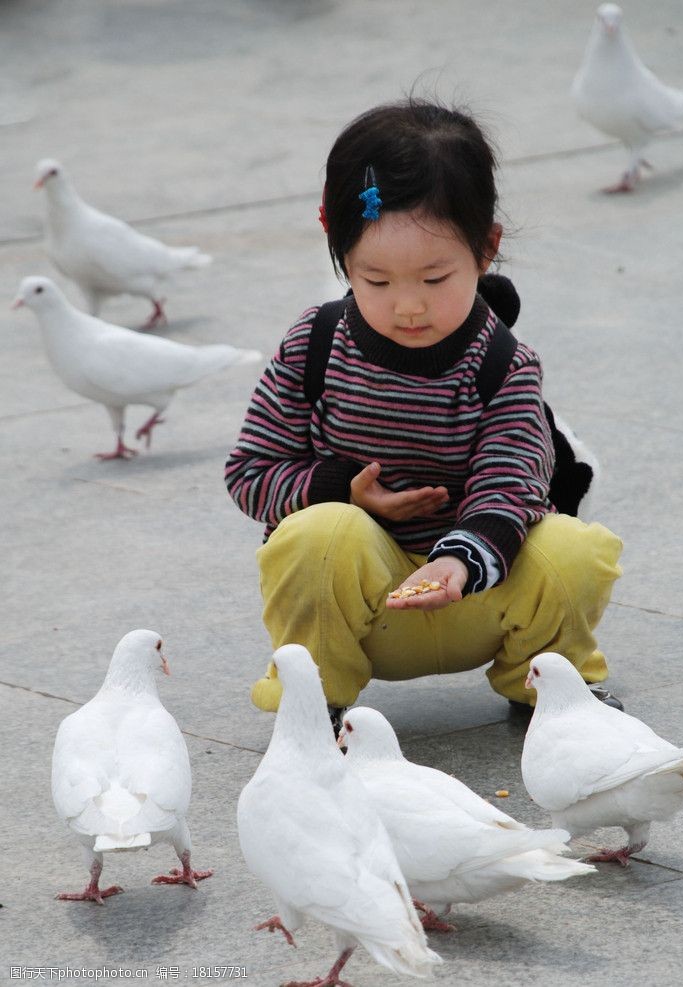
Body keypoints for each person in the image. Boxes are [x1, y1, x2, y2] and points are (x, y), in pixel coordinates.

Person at [225, 98, 623, 731]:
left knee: (572, 549)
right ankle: (313, 697)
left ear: (486, 248)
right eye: (375, 281)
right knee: (318, 535)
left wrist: (460, 560)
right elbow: (249, 472)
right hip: (363, 608)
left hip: (480, 596)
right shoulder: (316, 343)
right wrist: (341, 492)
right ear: (339, 253)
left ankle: (550, 686)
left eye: (435, 278)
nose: (408, 307)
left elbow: (512, 481)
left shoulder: (503, 364)